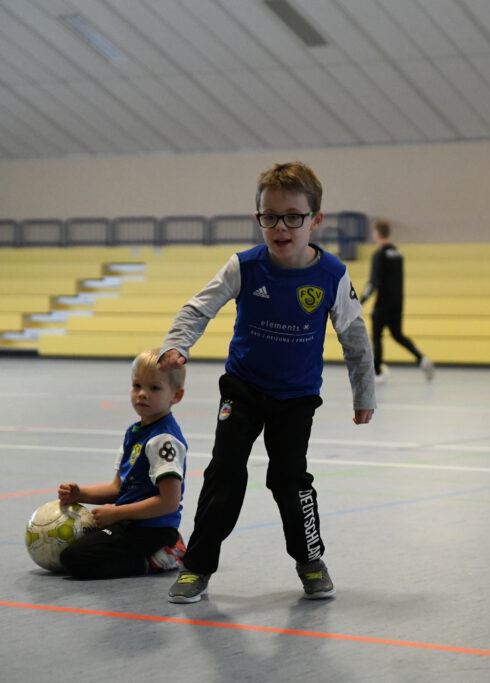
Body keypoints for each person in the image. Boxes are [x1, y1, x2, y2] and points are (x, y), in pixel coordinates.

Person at [159, 161, 375, 603]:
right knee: (224, 475)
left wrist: (363, 393)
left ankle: (311, 561)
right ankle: (196, 567)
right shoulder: (244, 267)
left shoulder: (331, 275)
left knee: (289, 480)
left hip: (296, 399)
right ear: (258, 218)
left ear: (315, 220)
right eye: (270, 217)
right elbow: (198, 308)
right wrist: (177, 345)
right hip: (243, 390)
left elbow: (354, 337)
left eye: (293, 216)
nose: (281, 227)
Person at [57, 348, 189, 579]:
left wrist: (116, 513)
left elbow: (169, 502)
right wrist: (80, 494)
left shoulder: (163, 439)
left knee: (75, 560)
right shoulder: (135, 432)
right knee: (73, 547)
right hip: (129, 521)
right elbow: (118, 488)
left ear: (175, 396)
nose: (142, 394)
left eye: (154, 388)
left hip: (152, 529)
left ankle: (162, 556)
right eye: (137, 386)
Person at [361, 219, 434, 383]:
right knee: (397, 335)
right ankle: (421, 358)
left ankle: (377, 372)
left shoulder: (379, 254)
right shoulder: (398, 253)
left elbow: (374, 282)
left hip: (383, 303)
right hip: (397, 302)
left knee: (377, 337)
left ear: (377, 234)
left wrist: (361, 301)